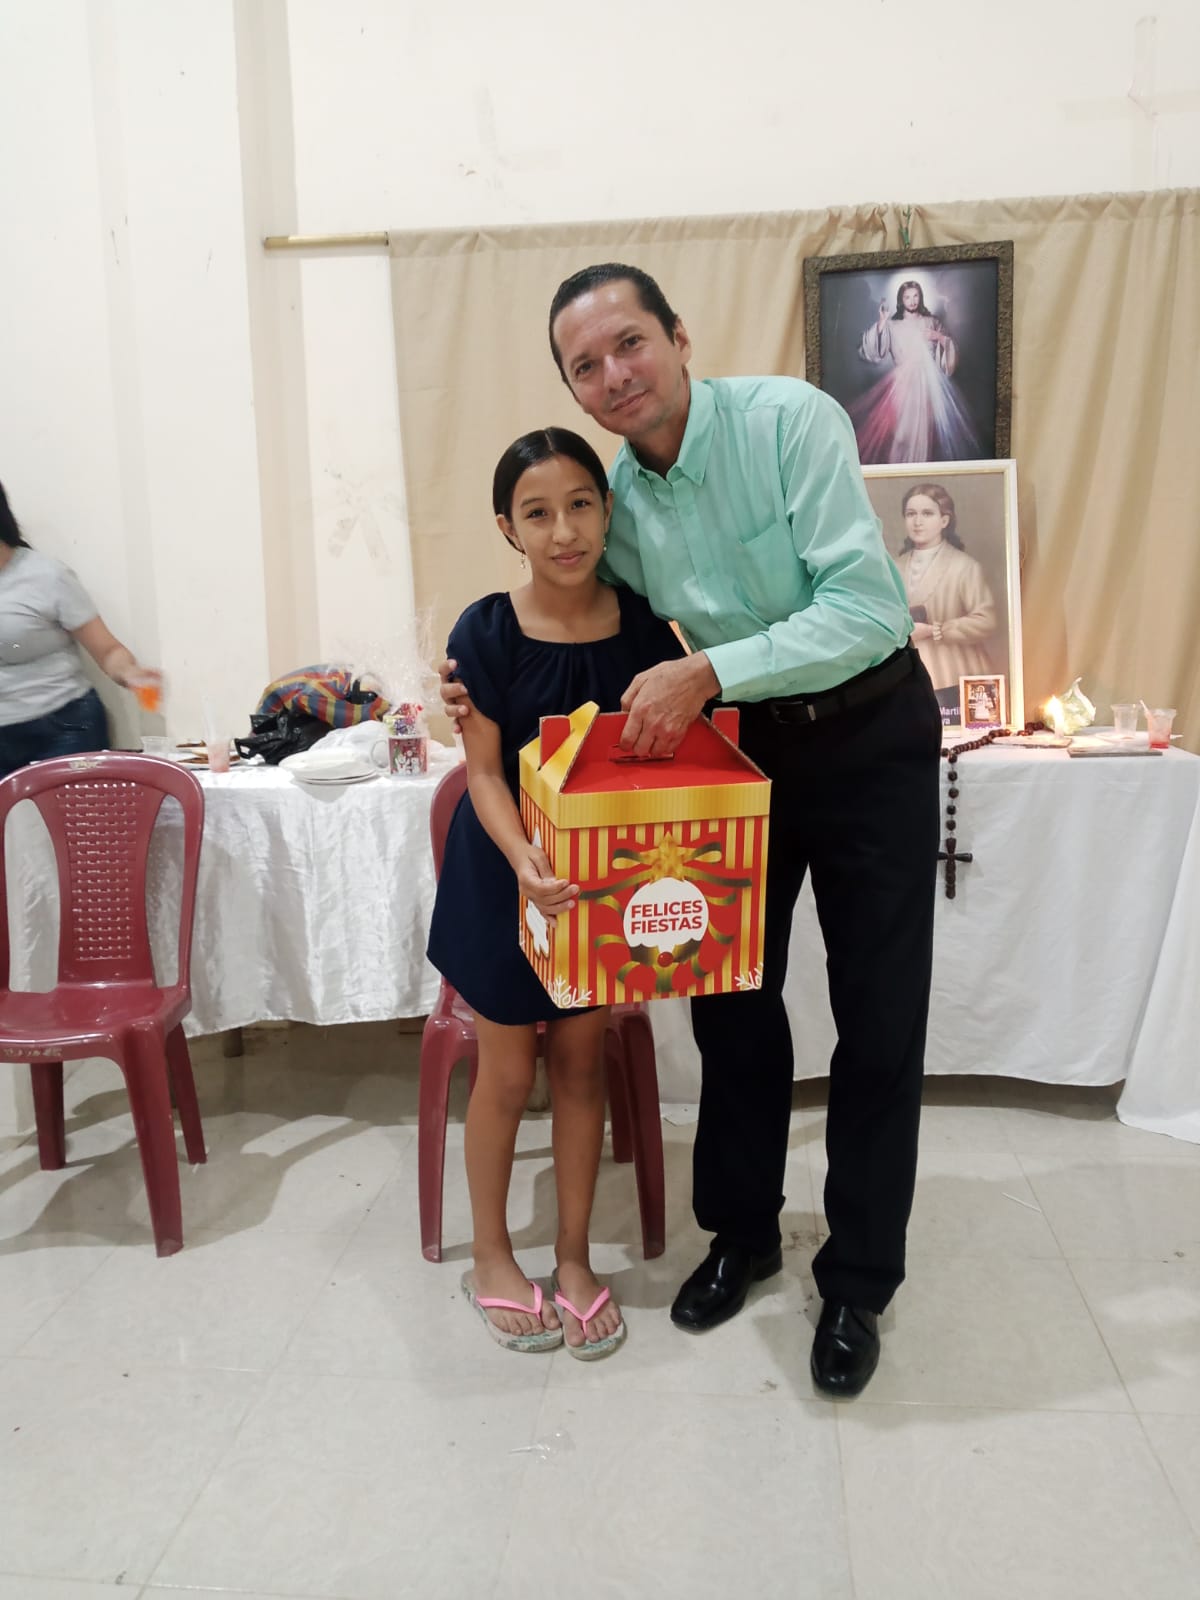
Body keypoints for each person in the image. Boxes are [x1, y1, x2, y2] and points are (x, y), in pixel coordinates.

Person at [443, 263, 942, 1397]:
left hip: (868, 733)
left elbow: (867, 610)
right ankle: (743, 1232)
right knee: (730, 997)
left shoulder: (789, 422)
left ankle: (858, 1277)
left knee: (877, 1012)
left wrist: (710, 669)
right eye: (586, 365)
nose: (615, 375)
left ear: (677, 335)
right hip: (740, 751)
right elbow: (576, 610)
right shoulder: (616, 502)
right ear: (574, 387)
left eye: (630, 343)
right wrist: (474, 675)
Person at [427, 427, 684, 1357]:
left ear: (608, 511)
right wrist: (525, 863)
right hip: (506, 878)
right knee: (506, 1072)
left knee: (581, 1064)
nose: (564, 531)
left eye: (580, 505)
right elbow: (483, 773)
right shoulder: (485, 631)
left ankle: (573, 1259)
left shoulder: (645, 626)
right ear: (509, 528)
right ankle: (492, 1258)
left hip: (595, 886)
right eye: (537, 514)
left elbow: (655, 762)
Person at [0, 481, 161, 781]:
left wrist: (130, 673)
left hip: (63, 728)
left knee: (70, 814)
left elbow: (108, 650)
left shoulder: (45, 576)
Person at [895, 482, 997, 723]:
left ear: (944, 520)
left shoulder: (964, 566)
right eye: (911, 514)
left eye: (927, 513)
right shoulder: (894, 567)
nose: (917, 522)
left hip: (953, 675)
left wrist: (935, 630)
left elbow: (986, 621)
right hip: (904, 679)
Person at [852, 279, 980, 463]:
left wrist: (938, 337)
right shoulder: (893, 325)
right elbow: (875, 351)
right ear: (901, 299)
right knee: (901, 433)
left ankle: (921, 470)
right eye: (907, 297)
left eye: (915, 296)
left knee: (925, 433)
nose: (912, 301)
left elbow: (949, 351)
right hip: (902, 384)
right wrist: (882, 322)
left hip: (928, 383)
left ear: (920, 297)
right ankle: (899, 470)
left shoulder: (932, 322)